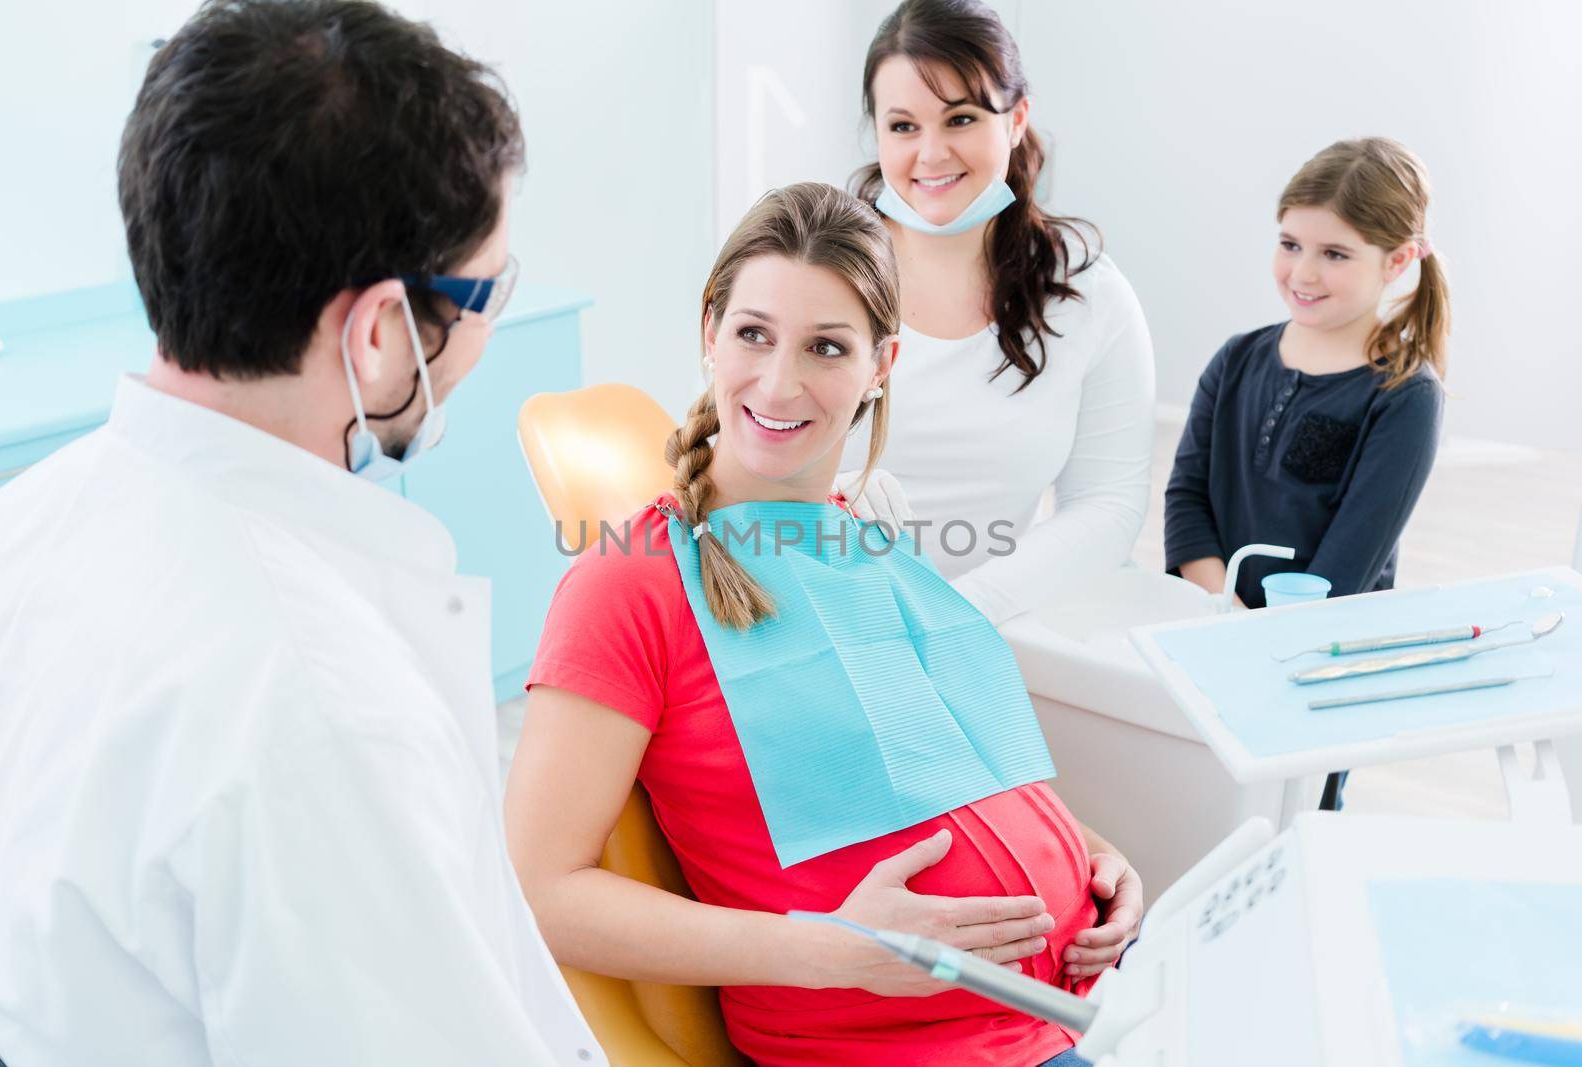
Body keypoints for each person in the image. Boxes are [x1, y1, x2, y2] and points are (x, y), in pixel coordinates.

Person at [0, 2, 601, 1063]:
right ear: (376, 334)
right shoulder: (319, 704)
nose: (491, 327)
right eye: (487, 291)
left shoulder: (16, 527)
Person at [510, 182, 1141, 1067]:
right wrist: (827, 947)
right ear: (709, 334)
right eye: (754, 334)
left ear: (883, 364)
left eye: (827, 347)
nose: (779, 381)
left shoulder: (868, 543)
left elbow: (952, 774)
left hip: (1072, 1007)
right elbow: (539, 891)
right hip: (911, 1049)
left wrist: (1097, 860)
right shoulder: (630, 582)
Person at [834, 0, 1156, 626]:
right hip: (818, 612)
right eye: (903, 126)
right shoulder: (817, 272)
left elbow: (1107, 506)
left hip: (993, 628)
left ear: (1016, 121)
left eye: (961, 118)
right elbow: (726, 463)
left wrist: (957, 616)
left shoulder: (1089, 295)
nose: (931, 154)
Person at [1164, 137, 1448, 609]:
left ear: (1396, 260)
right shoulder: (1235, 360)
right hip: (1210, 620)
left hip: (1319, 648)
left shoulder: (1406, 396)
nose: (1302, 274)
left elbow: (1348, 565)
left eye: (1334, 254)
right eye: (1290, 245)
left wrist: (1255, 633)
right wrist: (1223, 610)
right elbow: (1186, 500)